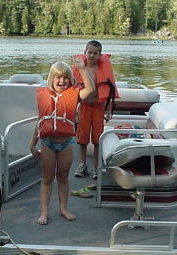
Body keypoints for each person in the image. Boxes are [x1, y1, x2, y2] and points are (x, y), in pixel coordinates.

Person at [30, 58, 95, 225]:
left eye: (66, 77)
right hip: (47, 143)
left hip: (66, 143)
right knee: (47, 178)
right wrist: (32, 143)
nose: (62, 81)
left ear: (71, 79)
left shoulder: (75, 94)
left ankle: (63, 208)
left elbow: (90, 90)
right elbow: (41, 120)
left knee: (63, 178)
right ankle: (44, 212)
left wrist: (81, 69)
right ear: (51, 78)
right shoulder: (44, 95)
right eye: (58, 77)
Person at [72, 40, 120, 179]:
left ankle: (96, 167)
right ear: (84, 53)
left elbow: (110, 92)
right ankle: (82, 164)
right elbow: (73, 91)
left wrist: (109, 110)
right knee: (82, 138)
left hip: (99, 108)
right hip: (85, 107)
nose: (92, 55)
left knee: (98, 139)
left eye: (95, 53)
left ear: (100, 55)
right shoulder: (80, 68)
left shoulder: (103, 70)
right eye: (89, 52)